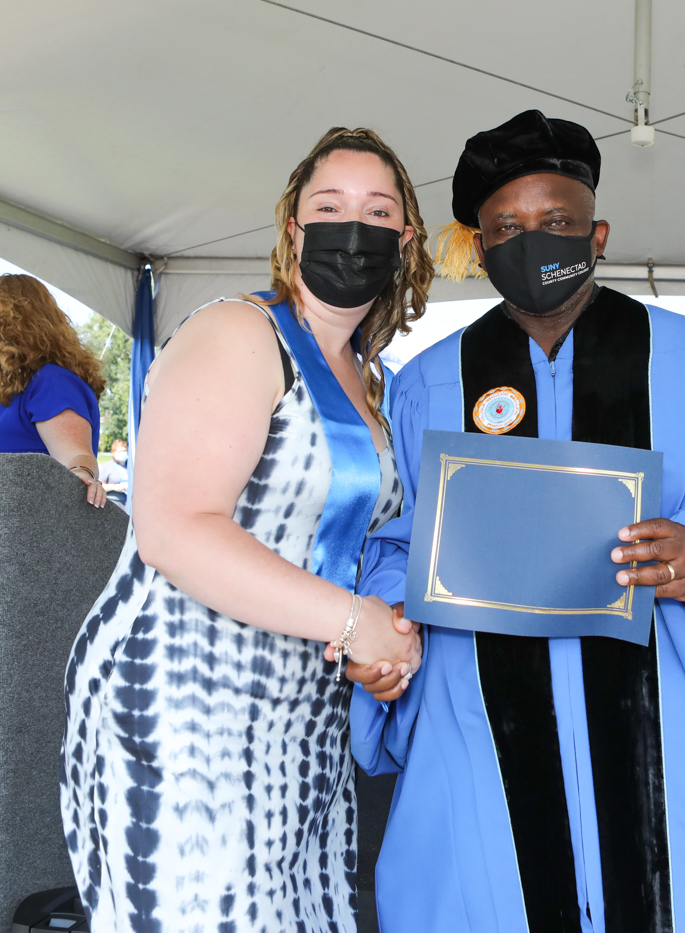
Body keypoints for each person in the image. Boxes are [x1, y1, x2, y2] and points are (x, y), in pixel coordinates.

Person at [348, 109, 685, 933]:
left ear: (598, 233)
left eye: (557, 222)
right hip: (477, 722)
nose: (533, 241)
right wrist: (390, 610)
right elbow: (389, 544)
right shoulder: (428, 382)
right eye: (507, 227)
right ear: (481, 244)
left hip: (661, 721)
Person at [60, 127, 432, 931]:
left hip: (300, 717)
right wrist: (355, 622)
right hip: (189, 698)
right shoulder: (239, 333)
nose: (352, 228)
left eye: (377, 211)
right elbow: (174, 528)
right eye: (329, 207)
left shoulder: (374, 381)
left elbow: (346, 551)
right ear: (293, 229)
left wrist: (377, 636)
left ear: (405, 239)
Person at [0, 273, 107, 507]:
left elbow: (75, 457)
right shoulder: (12, 389)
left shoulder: (52, 383)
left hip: (29, 528)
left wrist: (81, 472)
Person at [98, 438, 129, 507]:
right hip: (114, 502)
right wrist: (114, 487)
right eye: (120, 451)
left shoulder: (131, 466)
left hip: (129, 503)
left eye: (124, 451)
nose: (123, 453)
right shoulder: (108, 466)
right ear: (113, 453)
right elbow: (100, 486)